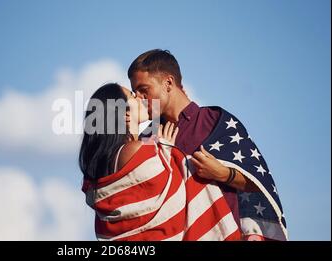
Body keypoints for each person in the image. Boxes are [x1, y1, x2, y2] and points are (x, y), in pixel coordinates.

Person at [128, 49, 288, 241]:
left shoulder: (215, 121)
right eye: (134, 92)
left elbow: (260, 183)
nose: (138, 98)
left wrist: (223, 173)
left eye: (143, 90)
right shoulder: (147, 136)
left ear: (168, 83)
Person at [79, 83, 241, 241]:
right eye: (132, 96)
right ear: (125, 114)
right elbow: (165, 186)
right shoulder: (135, 150)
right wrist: (167, 149)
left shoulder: (108, 162)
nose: (139, 98)